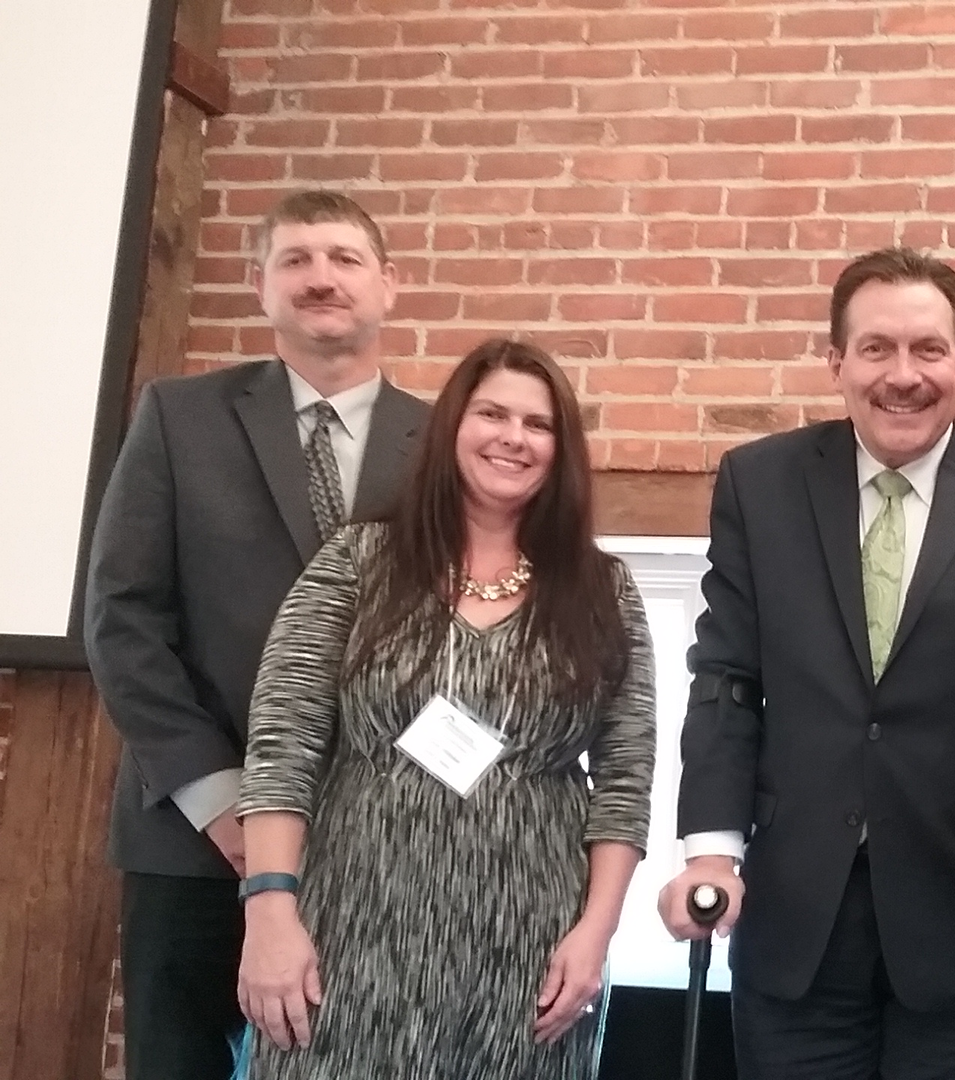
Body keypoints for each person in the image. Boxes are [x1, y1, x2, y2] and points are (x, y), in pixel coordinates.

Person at [657, 247, 955, 1080]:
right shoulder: (759, 484)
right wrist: (708, 849)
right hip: (797, 920)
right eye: (876, 348)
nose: (903, 376)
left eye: (929, 350)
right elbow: (728, 679)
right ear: (836, 361)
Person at [231, 338, 657, 1078]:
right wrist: (269, 910)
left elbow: (626, 780)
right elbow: (281, 745)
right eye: (491, 412)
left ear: (562, 450)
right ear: (453, 426)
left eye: (538, 423)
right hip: (352, 925)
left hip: (530, 942)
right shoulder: (358, 562)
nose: (512, 437)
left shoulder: (603, 590)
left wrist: (596, 931)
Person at [84, 189, 430, 1080]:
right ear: (259, 287)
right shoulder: (178, 418)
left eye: (345, 259)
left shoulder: (444, 444)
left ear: (389, 285)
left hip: (373, 840)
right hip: (195, 840)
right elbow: (123, 617)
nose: (322, 278)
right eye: (296, 259)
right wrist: (220, 796)